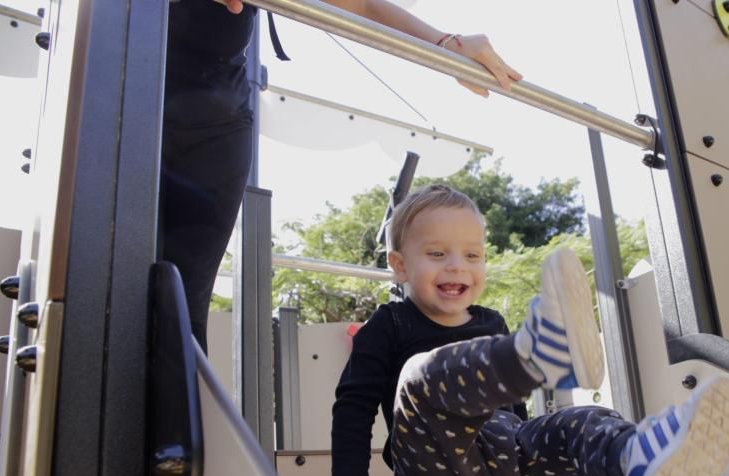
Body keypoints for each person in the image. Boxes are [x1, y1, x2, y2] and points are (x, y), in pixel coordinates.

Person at [323, 185, 729, 476]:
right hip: (437, 468)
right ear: (400, 265)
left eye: (473, 254)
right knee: (422, 376)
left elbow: (514, 412)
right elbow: (354, 405)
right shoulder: (390, 323)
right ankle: (541, 357)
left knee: (576, 422)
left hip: (509, 464)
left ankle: (637, 460)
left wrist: (531, 446)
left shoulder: (490, 322)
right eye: (437, 253)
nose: (457, 265)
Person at [162, 0, 523, 353]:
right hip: (122, 78)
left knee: (179, 303)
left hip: (213, 120)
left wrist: (448, 46)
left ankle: (169, 411)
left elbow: (362, 6)